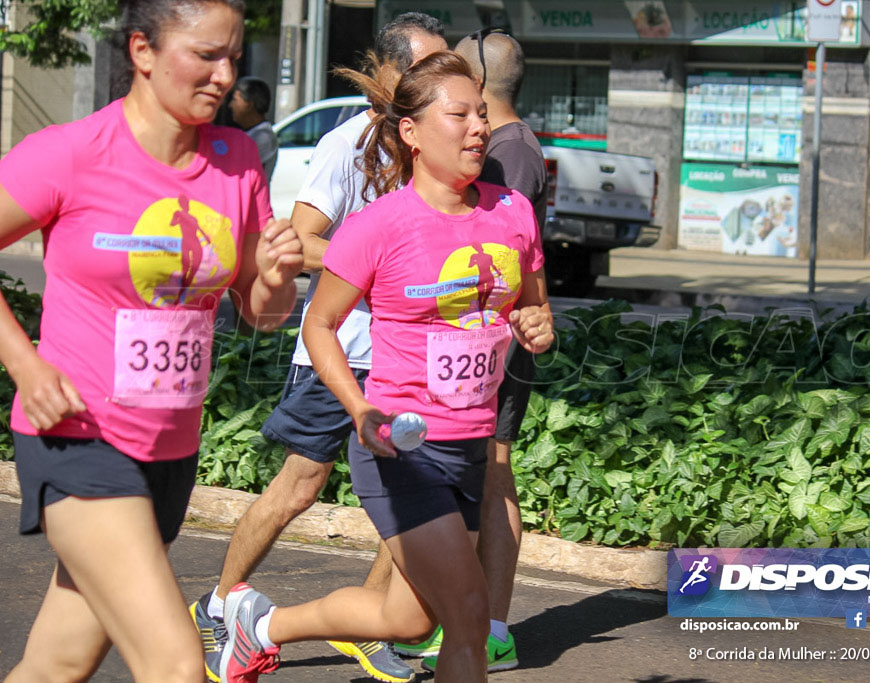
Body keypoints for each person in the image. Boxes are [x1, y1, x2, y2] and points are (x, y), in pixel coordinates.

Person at [217, 50, 554, 683]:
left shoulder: (512, 212)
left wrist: (536, 325)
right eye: (460, 115)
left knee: (407, 621)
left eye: (482, 113)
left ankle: (259, 627)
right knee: (469, 613)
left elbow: (535, 308)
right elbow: (317, 325)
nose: (480, 127)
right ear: (412, 133)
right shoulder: (377, 227)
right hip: (400, 449)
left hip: (468, 451)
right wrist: (359, 408)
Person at [0, 1, 302, 681]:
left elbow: (260, 314)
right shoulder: (73, 152)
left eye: (234, 57)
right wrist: (25, 365)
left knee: (56, 663)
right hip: (78, 437)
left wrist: (277, 279)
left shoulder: (238, 160)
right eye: (205, 55)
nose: (225, 76)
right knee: (175, 664)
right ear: (142, 51)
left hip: (169, 446)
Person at [188, 12, 447, 683]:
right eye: (425, 68)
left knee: (413, 495)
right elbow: (300, 242)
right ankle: (223, 603)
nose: (440, 80)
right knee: (297, 490)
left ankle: (380, 628)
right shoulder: (347, 145)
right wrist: (378, 269)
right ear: (390, 74)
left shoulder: (434, 152)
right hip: (340, 350)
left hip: (406, 357)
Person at [419, 28, 547, 673]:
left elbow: (515, 263)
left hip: (496, 344)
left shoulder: (510, 153)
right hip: (473, 339)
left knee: (493, 475)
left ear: (478, 83)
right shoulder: (503, 144)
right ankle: (457, 617)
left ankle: (490, 625)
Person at [229, 76, 278, 178]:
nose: (231, 105)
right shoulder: (250, 134)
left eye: (235, 100)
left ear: (249, 105)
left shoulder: (263, 137)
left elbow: (232, 170)